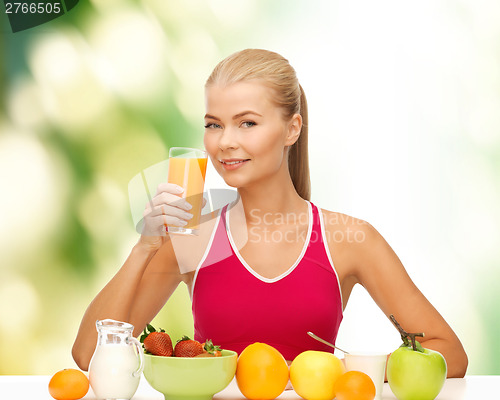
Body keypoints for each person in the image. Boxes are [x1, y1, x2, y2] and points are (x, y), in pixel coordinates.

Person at [72, 49, 468, 378]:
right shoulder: (192, 236)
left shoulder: (350, 239)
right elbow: (89, 355)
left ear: (292, 129)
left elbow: (448, 352)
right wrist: (145, 247)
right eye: (214, 125)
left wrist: (355, 371)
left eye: (247, 123)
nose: (225, 142)